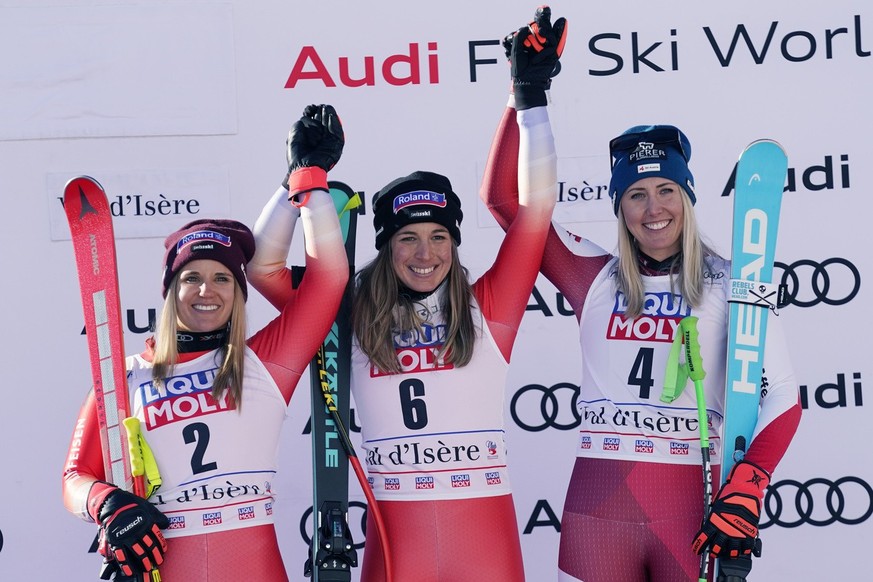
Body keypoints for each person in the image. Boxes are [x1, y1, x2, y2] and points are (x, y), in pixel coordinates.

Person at [247, 9, 566, 581]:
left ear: (455, 243)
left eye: (439, 237)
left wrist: (531, 97)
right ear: (387, 248)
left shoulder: (487, 308)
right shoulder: (351, 313)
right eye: (408, 239)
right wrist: (299, 177)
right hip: (398, 554)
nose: (425, 254)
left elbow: (535, 209)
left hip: (485, 552)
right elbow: (263, 268)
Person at [482, 118, 802, 579]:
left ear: (687, 197)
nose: (654, 208)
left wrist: (751, 481)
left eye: (666, 189)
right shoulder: (591, 277)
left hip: (694, 507)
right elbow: (505, 203)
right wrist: (526, 96)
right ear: (620, 207)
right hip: (598, 514)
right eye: (636, 194)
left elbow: (784, 396)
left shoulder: (735, 281)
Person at [61, 104, 349, 581]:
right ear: (170, 291)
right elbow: (74, 479)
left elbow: (329, 280)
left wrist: (305, 180)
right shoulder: (123, 377)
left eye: (222, 279)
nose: (205, 290)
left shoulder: (263, 363)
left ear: (239, 293)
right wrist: (107, 504)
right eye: (190, 277)